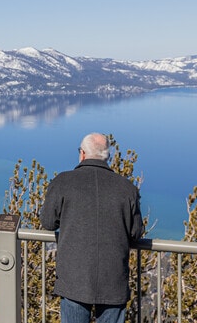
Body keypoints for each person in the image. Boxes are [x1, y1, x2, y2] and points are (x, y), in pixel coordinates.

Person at [40, 133, 144, 323]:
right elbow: (135, 232)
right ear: (107, 157)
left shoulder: (63, 182)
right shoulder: (127, 188)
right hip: (113, 279)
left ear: (82, 154)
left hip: (74, 279)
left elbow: (48, 222)